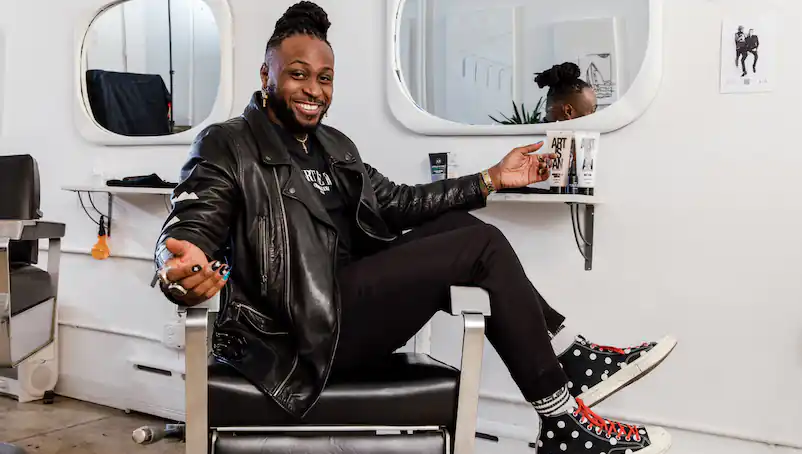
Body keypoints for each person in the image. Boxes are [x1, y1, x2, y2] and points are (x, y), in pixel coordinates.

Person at [153, 2, 676, 453]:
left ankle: (565, 369)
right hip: (298, 334)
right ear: (266, 75)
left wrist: (492, 178)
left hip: (346, 308)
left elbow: (398, 203)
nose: (313, 89)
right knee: (480, 247)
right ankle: (562, 409)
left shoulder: (335, 147)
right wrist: (178, 269)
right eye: (297, 73)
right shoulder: (228, 143)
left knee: (459, 224)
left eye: (325, 77)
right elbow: (189, 227)